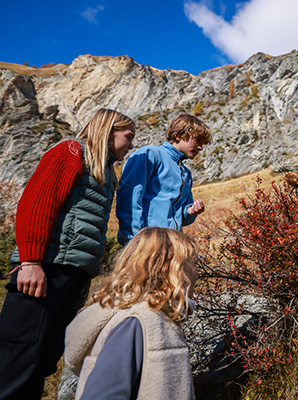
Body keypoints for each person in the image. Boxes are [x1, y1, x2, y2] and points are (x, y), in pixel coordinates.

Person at [0, 108, 135, 400]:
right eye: (128, 137)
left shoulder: (104, 170)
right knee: (18, 355)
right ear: (109, 131)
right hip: (45, 268)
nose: (131, 145)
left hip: (72, 273)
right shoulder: (71, 151)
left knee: (45, 358)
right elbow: (36, 204)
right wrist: (31, 261)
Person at [64, 227, 198, 400]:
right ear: (170, 269)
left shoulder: (157, 317)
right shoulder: (135, 321)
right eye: (192, 263)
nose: (196, 274)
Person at [116, 113, 211, 245]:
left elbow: (183, 219)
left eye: (203, 143)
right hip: (147, 243)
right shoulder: (151, 154)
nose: (200, 147)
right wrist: (132, 241)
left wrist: (190, 212)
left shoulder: (186, 174)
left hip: (173, 244)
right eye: (197, 141)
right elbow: (129, 197)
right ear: (178, 135)